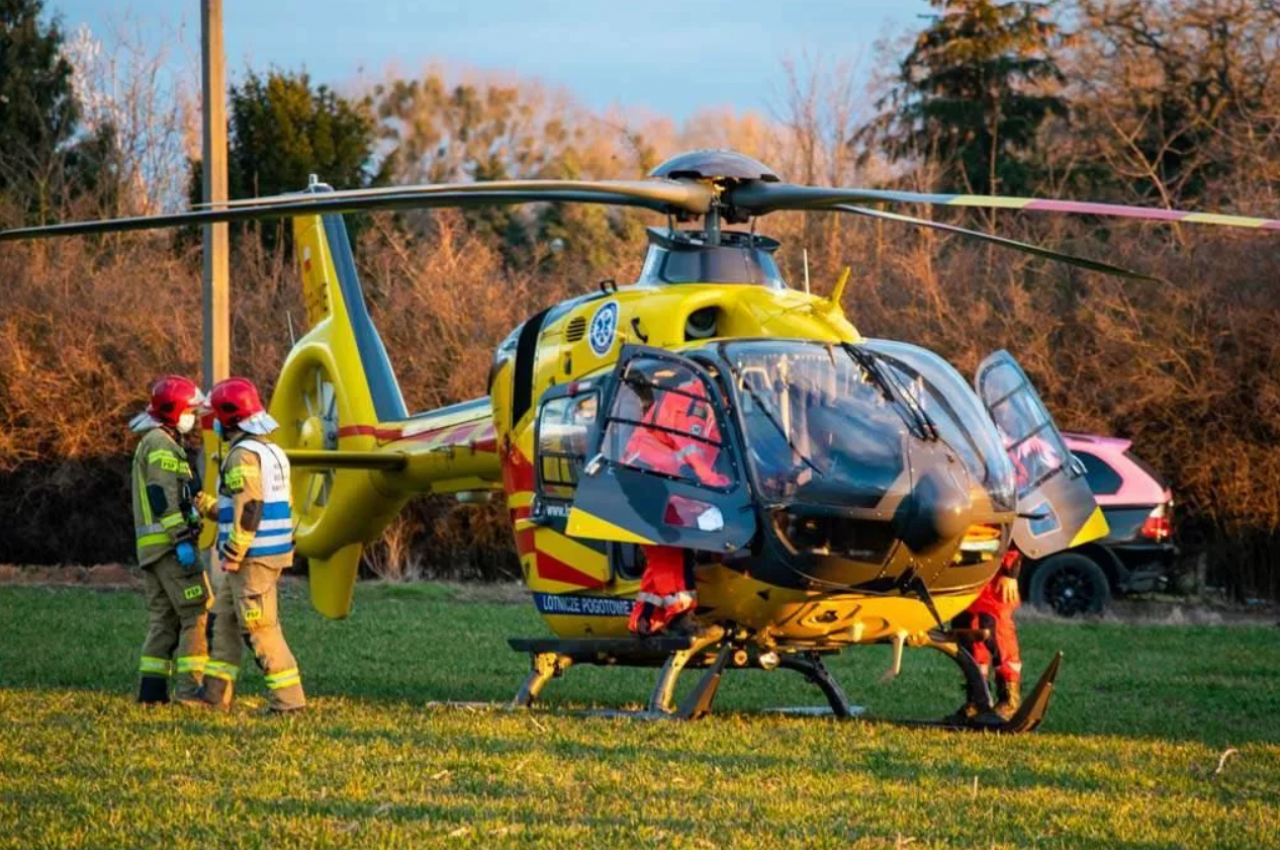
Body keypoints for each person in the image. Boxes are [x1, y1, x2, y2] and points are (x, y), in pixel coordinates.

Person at [198, 377, 305, 713]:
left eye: (216, 415)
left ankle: (288, 703)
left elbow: (251, 507)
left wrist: (233, 553)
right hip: (264, 551)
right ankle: (215, 697)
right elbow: (246, 505)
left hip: (251, 558)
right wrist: (208, 507)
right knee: (224, 622)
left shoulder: (241, 456)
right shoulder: (271, 451)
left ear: (229, 419)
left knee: (260, 629)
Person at [129, 376, 215, 705]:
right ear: (175, 411)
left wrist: (208, 506)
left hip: (151, 549)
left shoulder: (156, 441)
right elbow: (161, 494)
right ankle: (191, 690)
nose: (193, 417)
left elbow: (183, 492)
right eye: (191, 410)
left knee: (163, 620)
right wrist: (181, 538)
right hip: (169, 547)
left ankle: (152, 694)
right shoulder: (162, 445)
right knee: (196, 612)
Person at [621, 372, 728, 637]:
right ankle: (681, 616)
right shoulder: (692, 402)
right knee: (672, 545)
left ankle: (645, 619)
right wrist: (713, 481)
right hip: (647, 475)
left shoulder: (711, 405)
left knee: (663, 548)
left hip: (661, 477)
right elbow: (690, 448)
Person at [951, 545, 1024, 722]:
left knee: (997, 631)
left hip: (995, 573)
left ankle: (1009, 700)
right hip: (964, 570)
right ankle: (978, 699)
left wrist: (1010, 571)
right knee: (967, 630)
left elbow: (1016, 530)